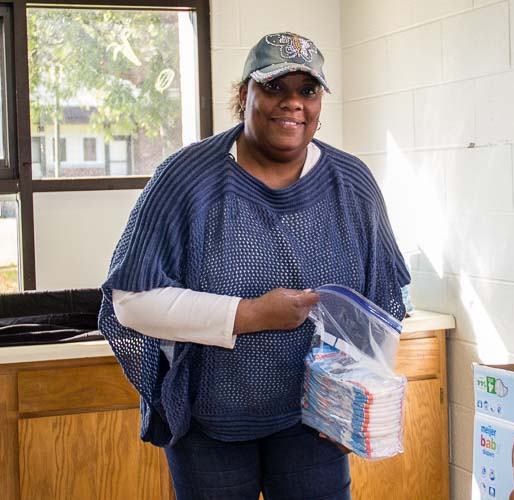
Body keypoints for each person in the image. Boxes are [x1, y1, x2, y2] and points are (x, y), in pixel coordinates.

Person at [98, 31, 409, 500]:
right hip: (212, 424)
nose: (293, 104)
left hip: (316, 421)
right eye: (275, 88)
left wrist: (356, 397)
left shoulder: (352, 184)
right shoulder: (186, 179)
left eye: (307, 91)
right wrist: (253, 315)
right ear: (244, 94)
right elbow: (132, 302)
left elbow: (384, 303)